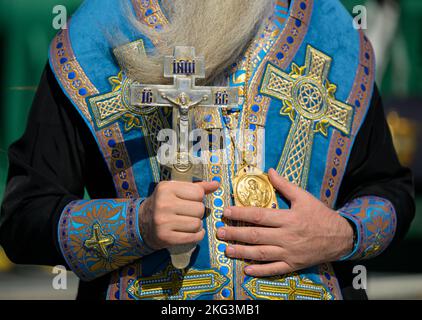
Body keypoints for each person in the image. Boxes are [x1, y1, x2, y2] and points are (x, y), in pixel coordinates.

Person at [0, 0, 414, 300]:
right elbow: (23, 219)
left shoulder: (331, 32)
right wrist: (135, 224)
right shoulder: (94, 36)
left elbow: (389, 188)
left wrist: (341, 234)